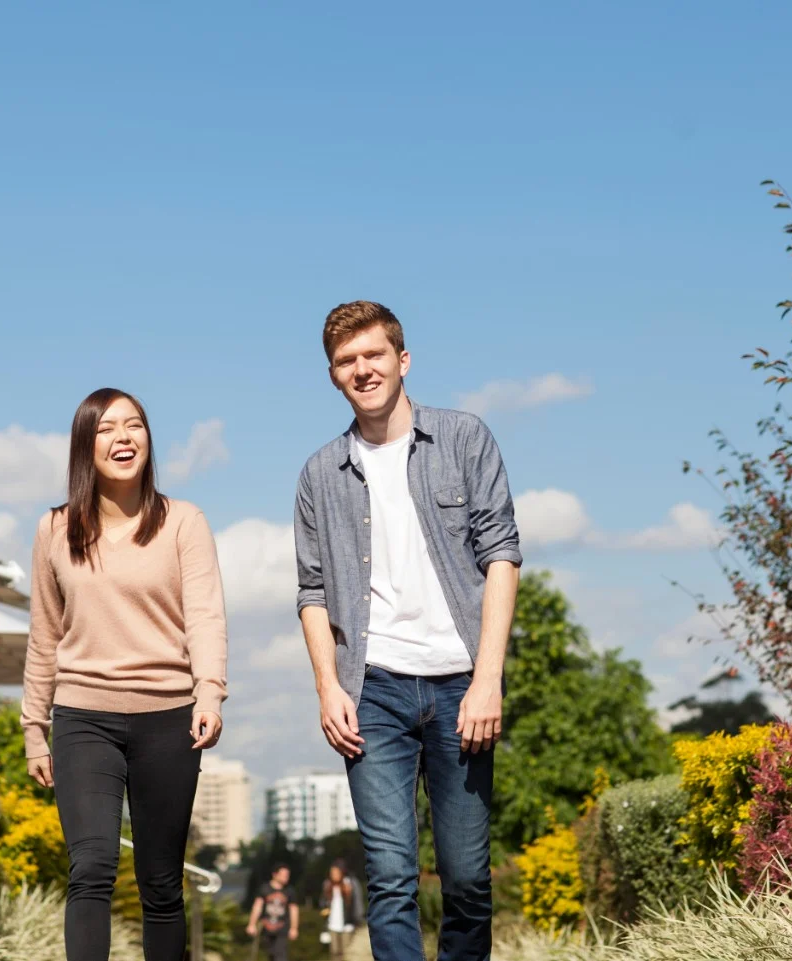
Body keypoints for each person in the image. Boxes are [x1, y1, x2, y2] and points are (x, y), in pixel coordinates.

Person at [293, 302, 522, 961]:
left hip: (461, 684)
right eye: (346, 361)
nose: (362, 369)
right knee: (391, 879)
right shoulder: (319, 474)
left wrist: (487, 679)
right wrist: (327, 685)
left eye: (373, 354)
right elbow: (311, 590)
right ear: (333, 374)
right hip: (374, 691)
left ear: (402, 359)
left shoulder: (463, 438)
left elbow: (501, 556)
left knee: (468, 878)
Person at [22, 387, 228, 961]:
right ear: (85, 446)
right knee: (90, 866)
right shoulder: (55, 530)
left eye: (134, 425)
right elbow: (44, 633)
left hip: (169, 718)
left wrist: (209, 694)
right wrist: (33, 727)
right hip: (84, 718)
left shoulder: (184, 522)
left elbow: (206, 617)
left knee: (161, 881)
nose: (124, 437)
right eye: (108, 428)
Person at [245, 863, 299, 961]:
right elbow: (257, 906)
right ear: (275, 874)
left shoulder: (290, 891)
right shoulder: (264, 889)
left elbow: (294, 910)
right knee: (270, 956)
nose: (286, 877)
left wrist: (294, 928)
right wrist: (252, 924)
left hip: (282, 929)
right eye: (283, 875)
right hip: (266, 929)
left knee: (280, 956)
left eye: (287, 875)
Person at [320, 859, 358, 959]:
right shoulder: (327, 885)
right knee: (334, 953)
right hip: (332, 925)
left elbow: (356, 904)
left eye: (336, 872)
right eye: (332, 873)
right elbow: (322, 903)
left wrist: (357, 919)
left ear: (342, 872)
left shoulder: (350, 884)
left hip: (347, 925)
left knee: (347, 954)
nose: (334, 875)